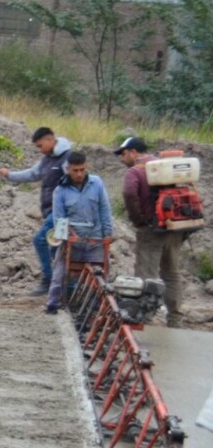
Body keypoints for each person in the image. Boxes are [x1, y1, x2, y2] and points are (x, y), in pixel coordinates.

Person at [116, 136, 186, 327]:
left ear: (133, 152)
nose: (122, 159)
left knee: (145, 277)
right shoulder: (168, 165)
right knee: (171, 273)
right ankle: (175, 319)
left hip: (150, 230)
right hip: (174, 227)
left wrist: (138, 219)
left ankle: (143, 320)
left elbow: (129, 194)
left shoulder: (135, 172)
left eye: (123, 154)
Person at [0, 127, 73, 296]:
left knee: (40, 240)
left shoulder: (67, 159)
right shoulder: (47, 159)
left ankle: (48, 280)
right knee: (56, 248)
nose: (40, 150)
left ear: (50, 140)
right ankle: (62, 286)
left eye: (40, 146)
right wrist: (10, 175)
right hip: (50, 212)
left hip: (61, 214)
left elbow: (74, 184)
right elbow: (33, 174)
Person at [45, 151, 114, 314]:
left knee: (101, 275)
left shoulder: (97, 184)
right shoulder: (60, 191)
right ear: (68, 169)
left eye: (82, 170)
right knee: (59, 272)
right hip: (72, 241)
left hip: (95, 240)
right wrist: (68, 236)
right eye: (75, 170)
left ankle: (99, 309)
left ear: (86, 167)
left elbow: (104, 209)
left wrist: (108, 234)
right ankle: (52, 304)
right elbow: (59, 220)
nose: (79, 174)